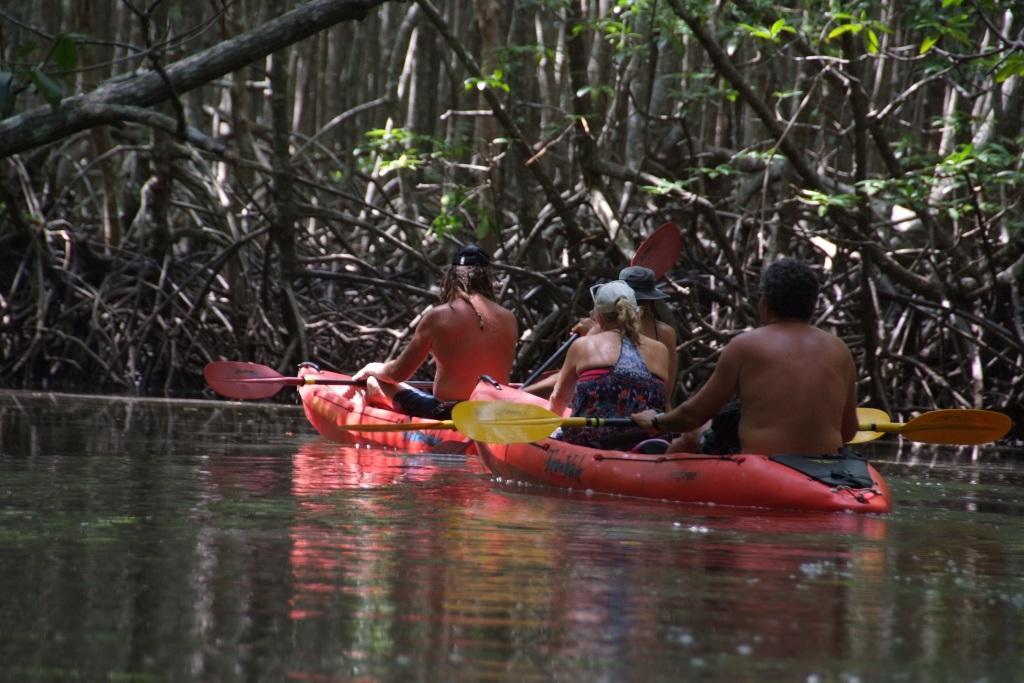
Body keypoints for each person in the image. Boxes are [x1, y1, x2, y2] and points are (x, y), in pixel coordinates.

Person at [632, 257, 858, 455]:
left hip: (765, 469)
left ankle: (657, 471)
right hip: (828, 468)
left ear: (766, 305)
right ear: (812, 306)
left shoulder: (745, 345)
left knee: (693, 434)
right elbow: (848, 432)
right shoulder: (840, 349)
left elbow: (693, 416)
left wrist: (655, 421)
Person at [353, 244, 518, 419]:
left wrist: (372, 368)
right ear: (488, 279)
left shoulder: (438, 316)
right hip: (496, 413)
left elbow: (397, 374)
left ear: (451, 278)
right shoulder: (509, 317)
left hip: (451, 414)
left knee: (374, 382)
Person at [524, 265, 679, 410]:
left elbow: (562, 387)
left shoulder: (597, 330)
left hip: (597, 424)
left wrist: (523, 392)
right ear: (652, 301)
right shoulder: (665, 334)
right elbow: (666, 394)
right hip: (646, 424)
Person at [550, 280, 670, 448]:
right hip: (645, 440)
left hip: (591, 441)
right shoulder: (661, 350)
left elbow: (559, 399)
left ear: (598, 316)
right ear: (636, 312)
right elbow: (665, 404)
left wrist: (547, 431)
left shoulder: (583, 345)